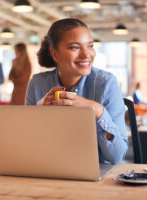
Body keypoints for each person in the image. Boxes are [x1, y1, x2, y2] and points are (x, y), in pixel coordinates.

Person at [25, 18, 128, 164]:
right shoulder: (37, 84)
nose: (86, 55)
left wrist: (97, 111)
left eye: (90, 46)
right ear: (55, 54)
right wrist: (38, 113)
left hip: (95, 176)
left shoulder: (106, 83)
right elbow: (27, 149)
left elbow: (117, 156)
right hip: (49, 170)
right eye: (75, 47)